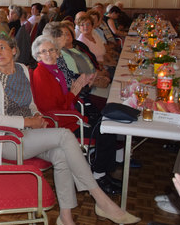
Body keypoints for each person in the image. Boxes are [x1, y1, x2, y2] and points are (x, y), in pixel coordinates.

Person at [0, 34, 139, 225]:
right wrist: (29, 122)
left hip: (29, 135)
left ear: (14, 50)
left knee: (62, 154)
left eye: (1, 48)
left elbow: (32, 104)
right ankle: (100, 198)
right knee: (64, 135)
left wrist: (36, 116)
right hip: (8, 141)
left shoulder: (23, 70)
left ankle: (66, 217)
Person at [30, 36, 121, 194]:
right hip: (58, 123)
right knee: (105, 133)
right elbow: (50, 109)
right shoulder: (41, 75)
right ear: (38, 56)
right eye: (43, 52)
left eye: (51, 50)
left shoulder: (56, 70)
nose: (49, 54)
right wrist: (73, 93)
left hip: (70, 116)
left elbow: (66, 97)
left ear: (58, 53)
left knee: (107, 126)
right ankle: (98, 176)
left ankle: (103, 172)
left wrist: (76, 91)